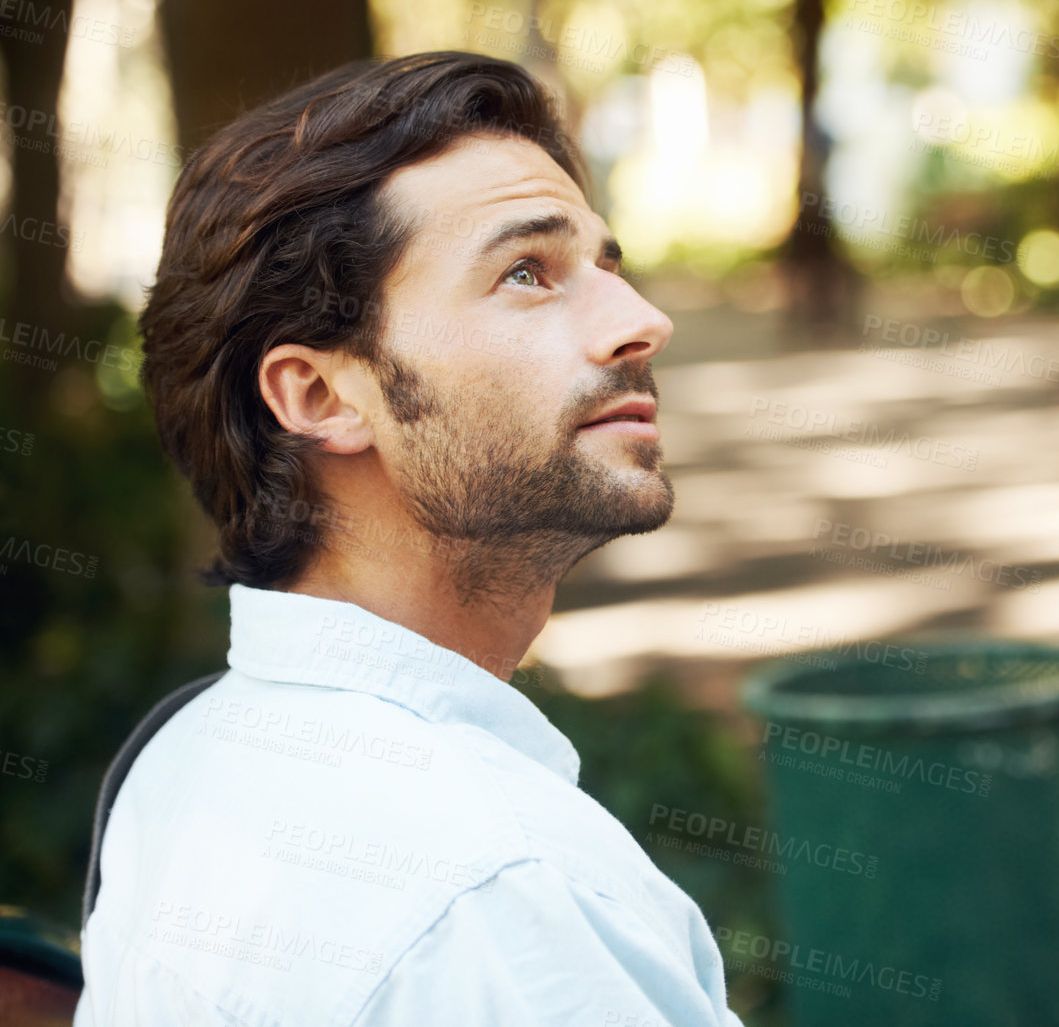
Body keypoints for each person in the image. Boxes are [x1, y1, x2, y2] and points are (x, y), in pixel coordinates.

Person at [74, 52, 744, 1026]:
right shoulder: (495, 901)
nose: (643, 321)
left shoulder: (182, 760)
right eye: (527, 272)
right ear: (319, 394)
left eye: (606, 266)